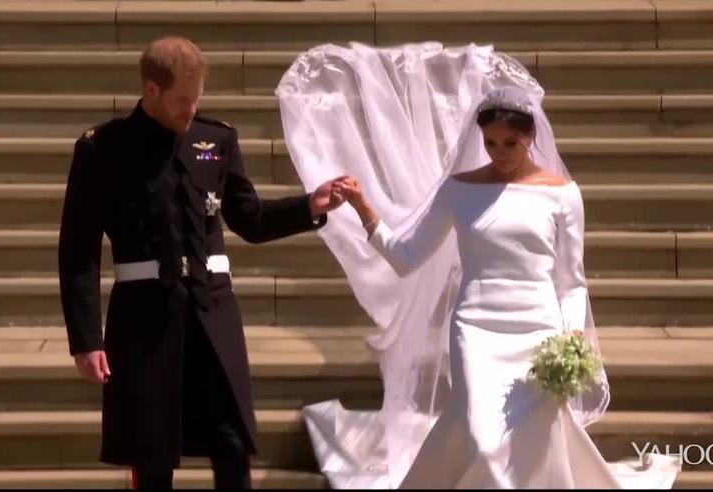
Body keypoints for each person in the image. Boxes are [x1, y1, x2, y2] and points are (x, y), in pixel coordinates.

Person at [277, 43, 681, 489]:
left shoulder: (563, 194)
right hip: (476, 328)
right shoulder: (459, 190)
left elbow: (571, 281)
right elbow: (406, 257)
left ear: (530, 137)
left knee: (536, 436)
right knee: (481, 434)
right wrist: (362, 206)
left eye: (511, 142)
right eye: (491, 143)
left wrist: (571, 340)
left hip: (540, 330)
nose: (500, 152)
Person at [58, 36, 347, 490]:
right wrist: (85, 339)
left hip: (213, 313)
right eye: (181, 100)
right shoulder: (104, 149)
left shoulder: (217, 139)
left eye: (197, 99)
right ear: (151, 89)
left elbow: (249, 219)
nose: (191, 110)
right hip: (145, 319)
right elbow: (78, 250)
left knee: (232, 440)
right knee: (151, 451)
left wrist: (310, 206)